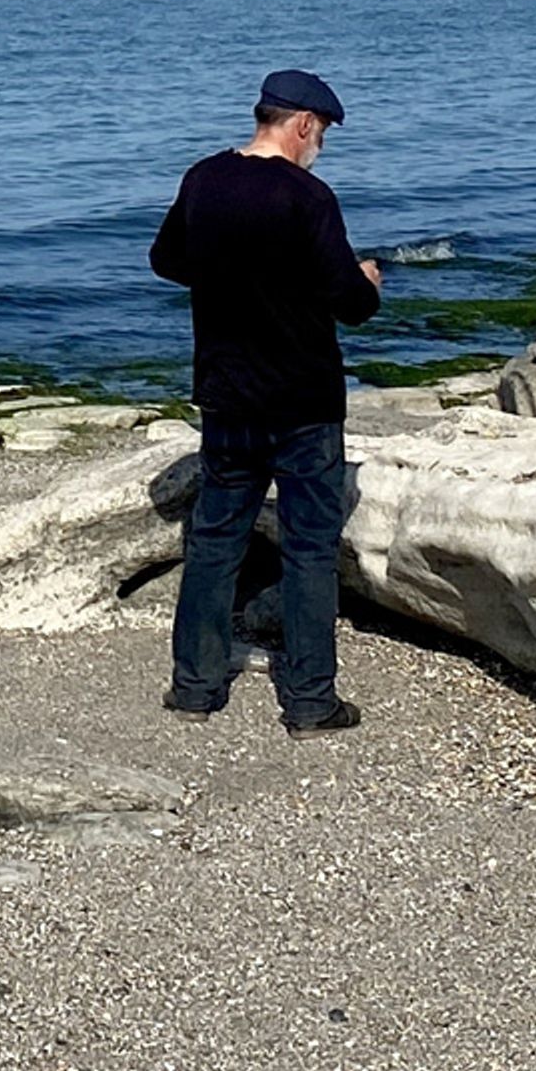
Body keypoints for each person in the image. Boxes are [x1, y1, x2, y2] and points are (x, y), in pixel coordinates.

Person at [149, 68, 385, 737]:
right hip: (303, 401)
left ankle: (195, 686)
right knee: (310, 548)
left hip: (226, 394)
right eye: (323, 135)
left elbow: (166, 258)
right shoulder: (307, 197)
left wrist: (231, 276)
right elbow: (351, 302)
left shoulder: (203, 179)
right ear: (303, 125)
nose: (321, 147)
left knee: (215, 539)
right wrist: (365, 279)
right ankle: (310, 702)